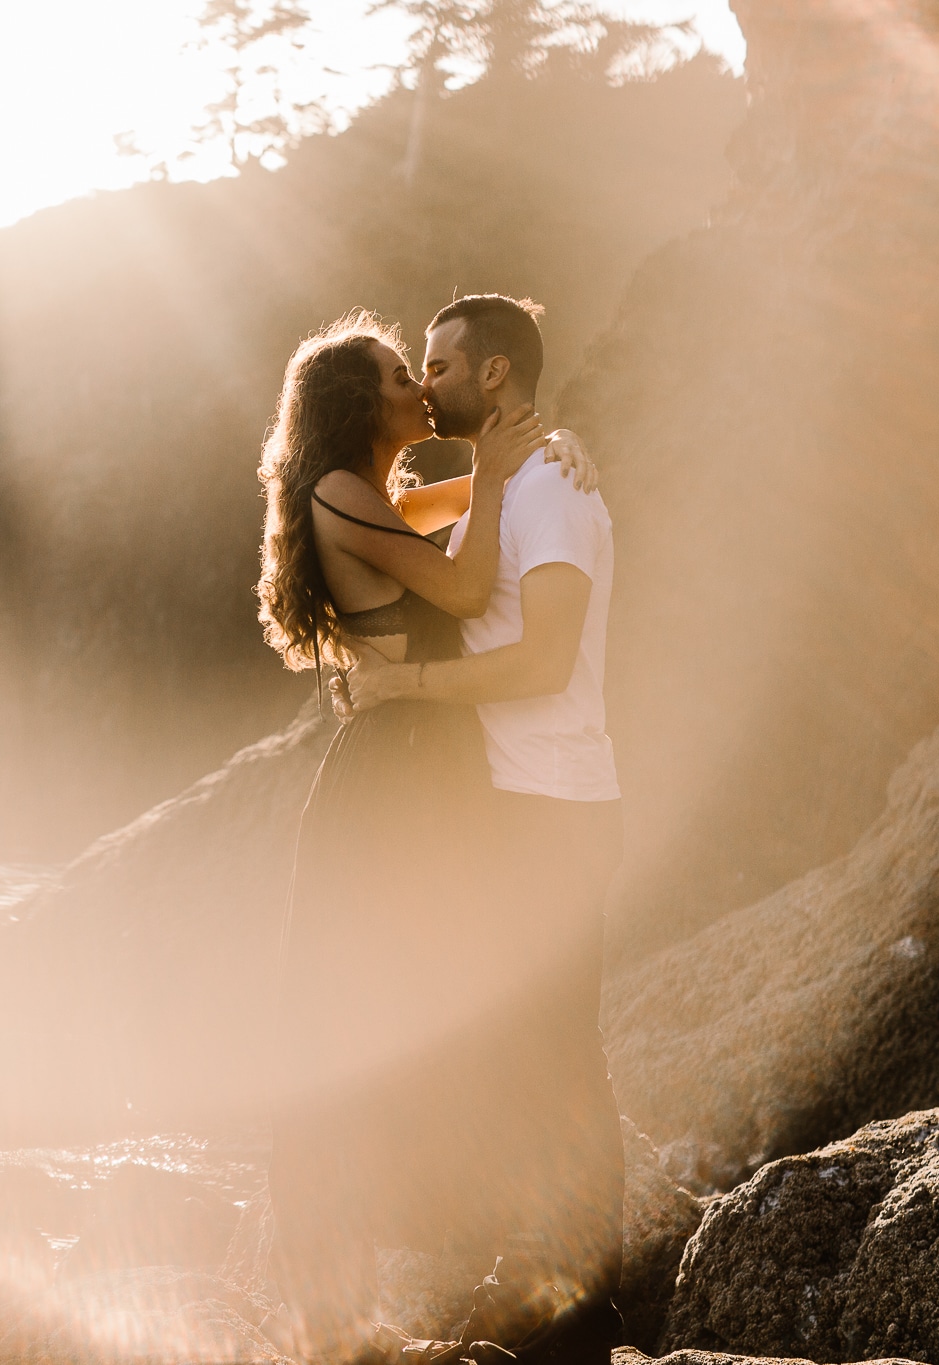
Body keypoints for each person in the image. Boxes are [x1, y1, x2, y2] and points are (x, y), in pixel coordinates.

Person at [252, 307, 599, 1361]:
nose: (420, 387)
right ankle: (330, 1299)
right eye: (402, 373)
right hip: (396, 778)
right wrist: (500, 481)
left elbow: (456, 520)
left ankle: (435, 1264)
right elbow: (462, 579)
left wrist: (547, 453)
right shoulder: (340, 493)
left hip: (426, 764)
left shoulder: (374, 495)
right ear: (363, 403)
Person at [342, 294, 626, 1363]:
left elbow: (545, 661)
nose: (424, 384)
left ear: (496, 375)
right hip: (503, 808)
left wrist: (405, 688)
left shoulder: (552, 488)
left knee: (558, 1059)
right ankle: (541, 1279)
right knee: (516, 1054)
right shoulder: (490, 487)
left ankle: (581, 1309)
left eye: (440, 365)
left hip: (553, 807)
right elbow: (375, 523)